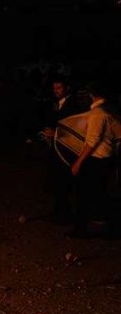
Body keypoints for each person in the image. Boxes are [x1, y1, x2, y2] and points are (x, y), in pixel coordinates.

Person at [68, 83, 118, 238]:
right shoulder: (110, 110)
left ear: (91, 95)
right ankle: (107, 228)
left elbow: (92, 141)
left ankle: (82, 230)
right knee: (100, 193)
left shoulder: (98, 113)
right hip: (106, 158)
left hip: (97, 160)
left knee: (85, 195)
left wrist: (78, 162)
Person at [40, 79, 85, 223]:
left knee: (63, 179)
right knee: (56, 178)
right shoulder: (56, 104)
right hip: (56, 145)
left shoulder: (73, 104)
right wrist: (48, 129)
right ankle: (60, 208)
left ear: (67, 88)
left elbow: (73, 124)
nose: (56, 91)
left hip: (66, 146)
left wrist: (57, 132)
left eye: (59, 88)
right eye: (54, 88)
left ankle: (65, 212)